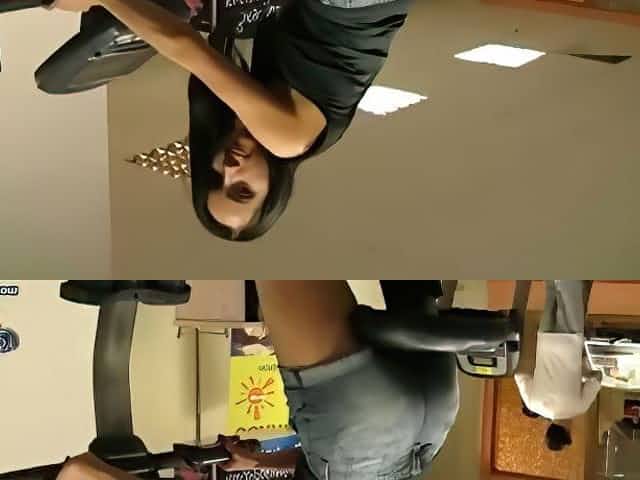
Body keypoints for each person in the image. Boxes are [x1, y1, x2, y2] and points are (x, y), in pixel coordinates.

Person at [49, 0, 412, 241]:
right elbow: (184, 46)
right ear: (273, 192)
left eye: (216, 178)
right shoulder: (288, 140)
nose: (229, 169)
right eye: (242, 190)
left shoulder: (268, 123)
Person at [56, 281, 460, 479]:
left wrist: (257, 461)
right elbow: (78, 471)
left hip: (431, 428)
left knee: (407, 259)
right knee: (274, 231)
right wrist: (84, 475)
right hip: (359, 443)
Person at [514, 280, 603, 451]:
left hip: (570, 340)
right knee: (551, 290)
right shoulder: (533, 404)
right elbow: (520, 375)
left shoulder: (578, 407)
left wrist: (580, 373)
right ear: (549, 430)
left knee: (569, 287)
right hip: (545, 340)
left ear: (567, 432)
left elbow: (597, 378)